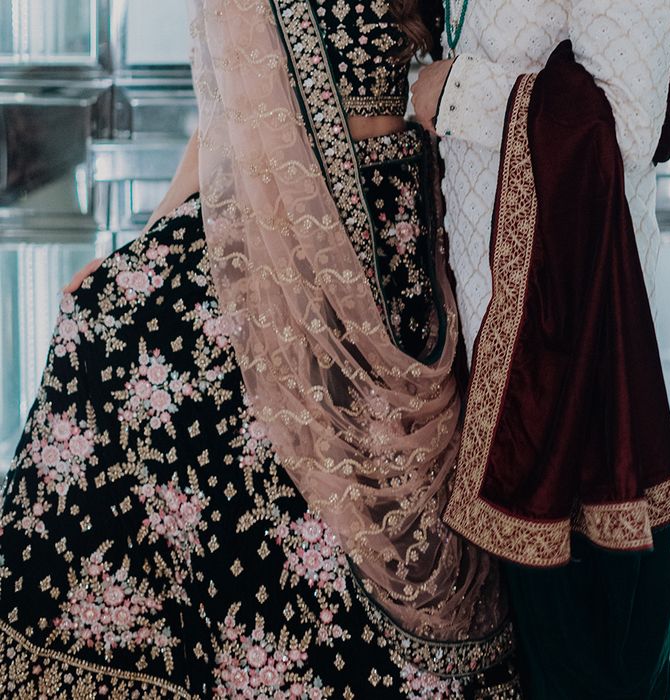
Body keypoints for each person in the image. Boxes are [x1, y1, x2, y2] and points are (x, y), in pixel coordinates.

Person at [0, 0, 522, 697]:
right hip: (277, 212)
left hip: (382, 235)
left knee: (340, 458)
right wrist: (142, 245)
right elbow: (223, 120)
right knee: (109, 326)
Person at [412, 1, 670, 698]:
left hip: (575, 337)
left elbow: (626, 125)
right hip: (497, 329)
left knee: (592, 644)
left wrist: (455, 90)